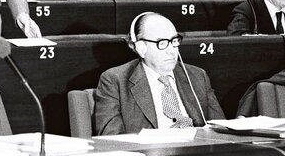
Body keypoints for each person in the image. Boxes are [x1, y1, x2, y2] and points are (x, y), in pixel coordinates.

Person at [94, 12, 225, 135]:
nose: (172, 51)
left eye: (174, 41)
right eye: (162, 43)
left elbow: (221, 129)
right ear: (141, 48)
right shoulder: (115, 80)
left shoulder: (197, 75)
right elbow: (112, 138)